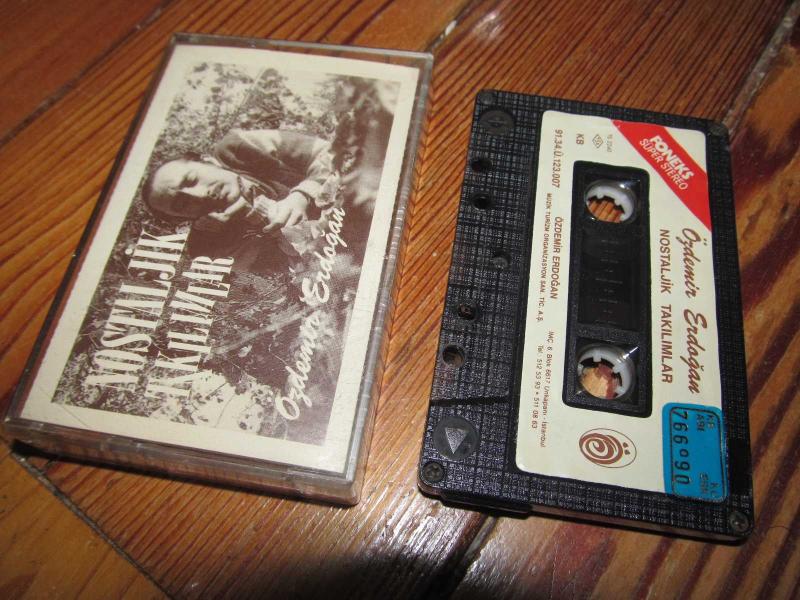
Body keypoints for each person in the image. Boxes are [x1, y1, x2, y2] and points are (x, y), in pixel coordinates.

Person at [142, 128, 336, 260]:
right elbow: (277, 276)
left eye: (192, 179)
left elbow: (332, 153)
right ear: (184, 219)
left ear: (207, 161)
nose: (201, 195)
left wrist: (302, 195)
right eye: (182, 204)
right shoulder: (208, 247)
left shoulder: (237, 149)